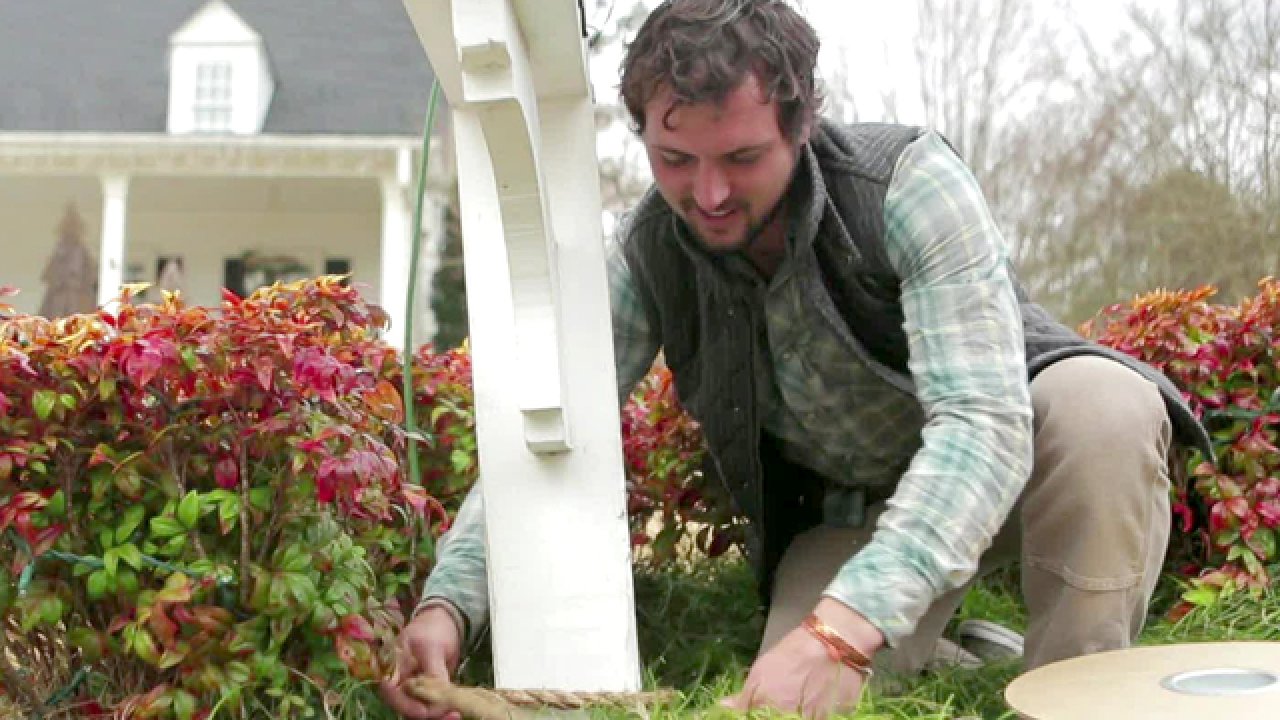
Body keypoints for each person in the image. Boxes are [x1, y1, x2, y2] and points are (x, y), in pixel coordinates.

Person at [379, 1, 1213, 718]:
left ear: (801, 123)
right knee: (792, 691)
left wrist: (843, 626)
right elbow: (544, 437)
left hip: (1025, 449)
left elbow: (984, 431)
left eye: (740, 159)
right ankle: (962, 646)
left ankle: (1072, 683)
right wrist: (450, 606)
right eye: (676, 161)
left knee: (1105, 405)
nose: (706, 195)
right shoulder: (646, 256)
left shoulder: (909, 183)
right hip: (855, 510)